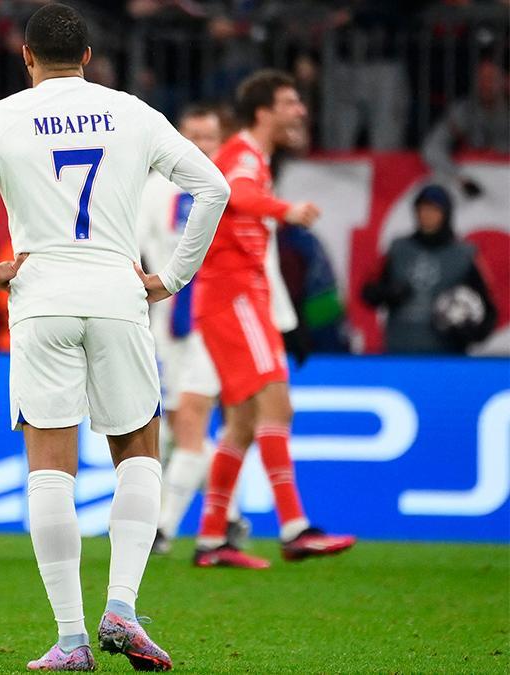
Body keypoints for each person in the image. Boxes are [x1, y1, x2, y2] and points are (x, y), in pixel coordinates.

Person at [0, 4, 230, 670]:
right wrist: (172, 276)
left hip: (41, 297)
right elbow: (213, 185)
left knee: (50, 468)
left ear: (26, 56)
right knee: (139, 452)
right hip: (118, 295)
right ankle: (122, 607)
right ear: (89, 56)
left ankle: (70, 639)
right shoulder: (133, 112)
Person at [192, 70, 356, 569]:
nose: (300, 110)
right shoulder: (244, 155)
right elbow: (235, 194)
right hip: (235, 297)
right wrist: (286, 210)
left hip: (233, 299)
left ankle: (211, 539)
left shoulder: (254, 156)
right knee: (276, 406)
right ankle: (294, 528)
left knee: (241, 422)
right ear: (264, 112)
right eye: (290, 102)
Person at [134, 104, 251, 555]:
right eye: (194, 136)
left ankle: (162, 528)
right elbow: (133, 247)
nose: (202, 146)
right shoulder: (152, 190)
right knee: (175, 426)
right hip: (167, 323)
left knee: (191, 421)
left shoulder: (229, 191)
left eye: (210, 137)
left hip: (214, 319)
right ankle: (231, 517)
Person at [361, 185, 498, 354]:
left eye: (434, 210)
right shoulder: (399, 249)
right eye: (422, 209)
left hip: (446, 355)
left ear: (446, 214)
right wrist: (386, 292)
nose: (427, 215)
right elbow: (367, 290)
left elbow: (488, 306)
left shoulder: (465, 255)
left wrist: (471, 331)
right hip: (400, 349)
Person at [422, 59, 509, 198]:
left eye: (491, 78)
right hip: (473, 184)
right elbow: (432, 147)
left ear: (506, 81)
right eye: (480, 78)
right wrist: (458, 176)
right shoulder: (464, 110)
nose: (485, 84)